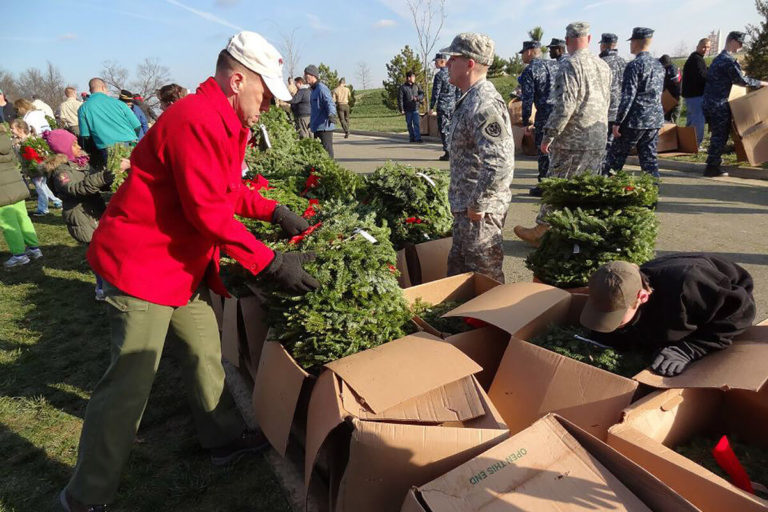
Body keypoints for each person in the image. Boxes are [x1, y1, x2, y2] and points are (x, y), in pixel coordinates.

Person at [60, 31, 319, 512]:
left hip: (178, 268)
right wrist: (271, 262)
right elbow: (208, 213)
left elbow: (226, 192)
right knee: (130, 382)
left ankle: (221, 439)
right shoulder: (195, 119)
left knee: (204, 350)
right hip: (141, 267)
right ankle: (84, 496)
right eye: (265, 93)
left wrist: (274, 210)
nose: (270, 105)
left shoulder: (224, 120)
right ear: (237, 79)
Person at [514, 22, 610, 247]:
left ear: (567, 41)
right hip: (597, 136)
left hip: (572, 137)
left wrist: (549, 135)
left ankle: (543, 230)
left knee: (558, 184)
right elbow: (608, 101)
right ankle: (582, 234)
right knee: (587, 187)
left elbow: (565, 104)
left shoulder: (570, 64)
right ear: (589, 38)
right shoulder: (602, 66)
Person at [580, 253, 756, 377]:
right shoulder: (611, 286)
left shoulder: (689, 285)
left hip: (727, 300)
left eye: (615, 317)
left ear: (642, 297)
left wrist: (690, 349)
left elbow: (741, 313)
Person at [441, 32, 514, 283]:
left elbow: (500, 161)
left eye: (453, 58)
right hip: (467, 209)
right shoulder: (470, 98)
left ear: (470, 63)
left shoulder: (484, 103)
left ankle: (493, 324)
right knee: (459, 277)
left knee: (487, 282)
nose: (448, 63)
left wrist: (478, 203)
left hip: (480, 213)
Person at [42, 129, 120, 300]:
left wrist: (110, 178)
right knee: (97, 253)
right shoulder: (61, 171)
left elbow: (93, 182)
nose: (78, 147)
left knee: (106, 250)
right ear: (63, 148)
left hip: (94, 211)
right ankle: (102, 288)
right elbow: (76, 189)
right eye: (74, 144)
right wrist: (102, 178)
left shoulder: (80, 163)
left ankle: (111, 283)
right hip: (81, 217)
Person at [703, 31, 768, 177]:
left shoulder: (719, 58)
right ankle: (712, 167)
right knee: (720, 136)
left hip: (711, 102)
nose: (741, 46)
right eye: (739, 42)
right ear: (732, 41)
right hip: (719, 104)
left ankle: (712, 164)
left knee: (717, 135)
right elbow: (742, 81)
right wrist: (763, 83)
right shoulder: (728, 60)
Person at [603, 28, 665, 179]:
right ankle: (651, 196)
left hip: (635, 120)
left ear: (636, 42)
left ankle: (606, 191)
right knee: (649, 159)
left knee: (615, 159)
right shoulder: (658, 65)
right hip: (654, 119)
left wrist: (618, 122)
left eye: (631, 42)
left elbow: (628, 96)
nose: (630, 45)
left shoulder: (635, 65)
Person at [0, 124, 42, 268]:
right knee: (22, 217)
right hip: (14, 183)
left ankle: (19, 255)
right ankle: (34, 248)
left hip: (2, 189)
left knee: (8, 223)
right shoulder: (6, 140)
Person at [77, 78, 141, 169]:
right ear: (103, 87)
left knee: (118, 179)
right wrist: (133, 139)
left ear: (91, 90)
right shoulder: (119, 103)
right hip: (131, 144)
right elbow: (137, 125)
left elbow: (85, 136)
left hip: (108, 149)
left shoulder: (84, 108)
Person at [519, 40, 555, 196]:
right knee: (557, 149)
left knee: (543, 149)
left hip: (545, 115)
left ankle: (545, 184)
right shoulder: (556, 65)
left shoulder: (530, 70)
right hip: (562, 113)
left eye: (522, 53)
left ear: (529, 52)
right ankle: (558, 181)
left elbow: (527, 99)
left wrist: (526, 121)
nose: (522, 57)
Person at [9, 117, 62, 215]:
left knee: (40, 187)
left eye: (13, 128)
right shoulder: (16, 141)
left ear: (20, 129)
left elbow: (38, 153)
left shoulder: (31, 140)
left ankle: (43, 209)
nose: (11, 130)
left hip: (37, 167)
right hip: (29, 168)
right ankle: (57, 200)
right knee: (43, 186)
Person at [429, 52, 461, 161]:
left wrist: (431, 106)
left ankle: (448, 152)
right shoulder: (453, 72)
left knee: (443, 129)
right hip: (453, 106)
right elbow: (458, 90)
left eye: (436, 61)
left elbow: (436, 92)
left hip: (443, 106)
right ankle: (454, 150)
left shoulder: (439, 75)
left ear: (442, 61)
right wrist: (457, 103)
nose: (435, 64)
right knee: (453, 129)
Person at [682, 38, 711, 147]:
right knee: (698, 121)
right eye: (704, 46)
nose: (705, 49)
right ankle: (696, 144)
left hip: (690, 96)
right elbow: (702, 77)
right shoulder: (697, 59)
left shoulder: (695, 58)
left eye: (708, 47)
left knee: (691, 121)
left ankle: (688, 143)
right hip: (696, 95)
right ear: (697, 46)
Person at [599, 33, 627, 147]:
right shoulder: (623, 62)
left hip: (605, 111)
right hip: (621, 111)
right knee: (616, 145)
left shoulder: (601, 62)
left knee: (603, 145)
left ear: (603, 45)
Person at [303, 64, 337, 157]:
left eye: (306, 75)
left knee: (327, 153)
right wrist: (312, 122)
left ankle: (331, 170)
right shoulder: (313, 90)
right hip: (317, 126)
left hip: (324, 127)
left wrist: (331, 114)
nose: (304, 78)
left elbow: (329, 102)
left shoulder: (322, 88)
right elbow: (316, 109)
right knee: (319, 153)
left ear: (313, 76)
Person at [398, 70, 425, 143]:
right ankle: (412, 137)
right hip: (407, 109)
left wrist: (417, 98)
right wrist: (402, 109)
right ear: (409, 78)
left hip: (415, 108)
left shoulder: (416, 86)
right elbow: (400, 99)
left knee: (416, 123)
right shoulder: (403, 87)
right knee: (409, 124)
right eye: (413, 77)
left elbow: (422, 94)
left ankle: (418, 138)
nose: (414, 78)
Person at [659, 55, 682, 123]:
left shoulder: (672, 69)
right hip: (669, 95)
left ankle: (672, 131)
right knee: (667, 117)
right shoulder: (668, 69)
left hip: (674, 96)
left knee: (673, 118)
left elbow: (676, 81)